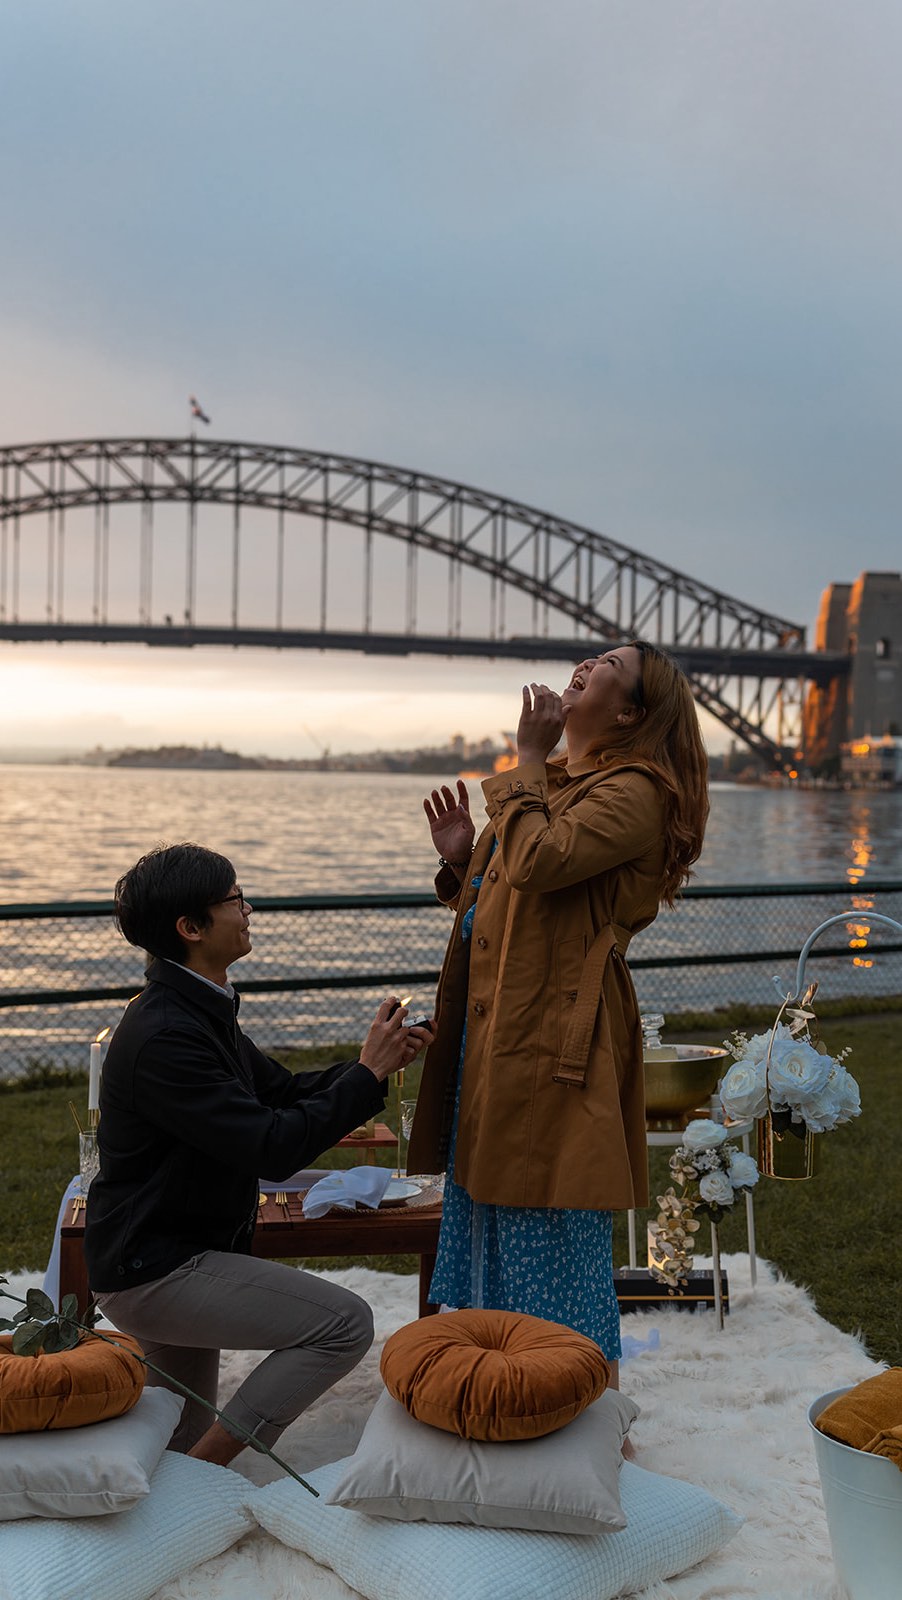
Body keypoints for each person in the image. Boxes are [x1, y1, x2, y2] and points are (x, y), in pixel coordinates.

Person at [406, 640, 708, 1395]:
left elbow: (541, 863)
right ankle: (496, 1387)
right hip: (504, 1028)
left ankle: (574, 1398)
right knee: (493, 1214)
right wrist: (458, 866)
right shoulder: (567, 781)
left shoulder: (636, 791)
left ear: (633, 710)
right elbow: (517, 902)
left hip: (553, 1031)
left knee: (548, 1218)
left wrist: (525, 756)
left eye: (612, 663)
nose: (590, 662)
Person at [84, 842, 432, 1465]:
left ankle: (181, 1476)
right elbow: (270, 1147)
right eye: (233, 899)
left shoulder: (197, 1008)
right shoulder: (167, 1034)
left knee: (173, 1443)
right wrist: (365, 1077)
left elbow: (280, 1093)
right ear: (191, 928)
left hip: (171, 1252)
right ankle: (212, 1473)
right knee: (343, 1324)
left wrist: (371, 1066)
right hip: (158, 1269)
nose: (247, 909)